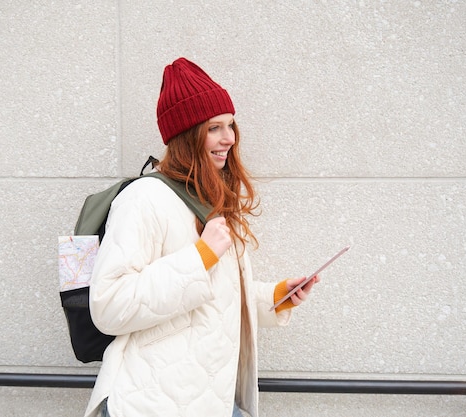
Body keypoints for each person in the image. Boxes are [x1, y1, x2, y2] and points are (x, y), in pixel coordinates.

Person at [83, 57, 319, 417]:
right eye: (214, 128)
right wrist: (200, 256)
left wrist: (275, 298)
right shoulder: (144, 198)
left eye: (231, 125)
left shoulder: (209, 198)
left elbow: (209, 302)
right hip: (150, 405)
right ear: (185, 135)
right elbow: (109, 305)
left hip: (208, 401)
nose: (230, 138)